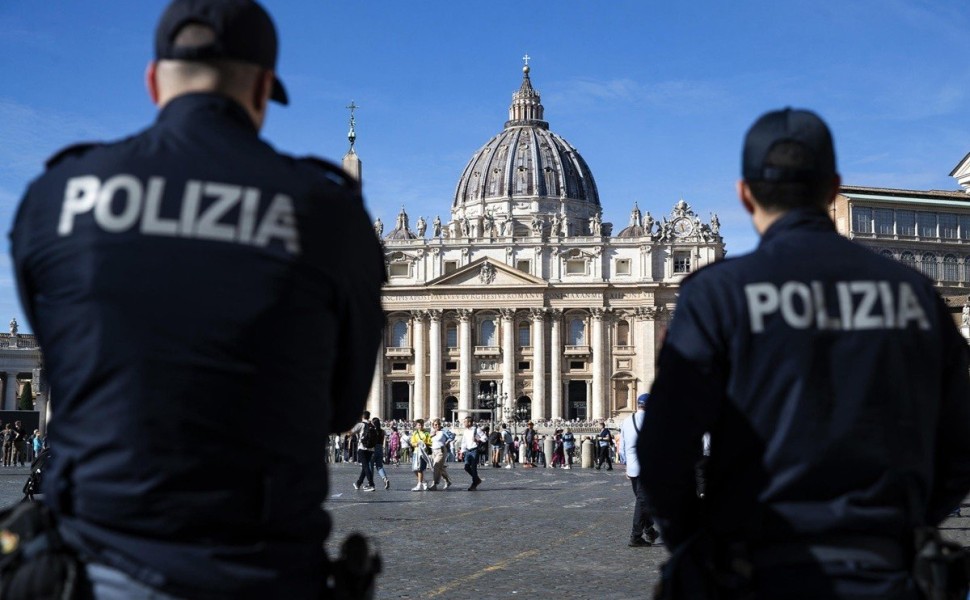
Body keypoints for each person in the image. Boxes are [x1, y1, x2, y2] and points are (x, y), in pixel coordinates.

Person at [9, 1, 385, 597]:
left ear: (153, 81)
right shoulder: (328, 213)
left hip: (95, 565)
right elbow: (342, 406)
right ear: (263, 89)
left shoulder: (57, 196)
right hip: (259, 568)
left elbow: (63, 361)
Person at [639, 108, 970, 599]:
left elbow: (664, 447)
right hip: (882, 570)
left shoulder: (716, 293)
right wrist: (905, 523)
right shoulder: (914, 292)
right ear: (834, 187)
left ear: (744, 193)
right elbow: (961, 441)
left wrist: (697, 538)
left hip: (754, 569)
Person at [622, 394, 659, 547]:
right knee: (642, 501)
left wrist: (626, 464)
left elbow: (622, 447)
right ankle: (635, 536)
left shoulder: (626, 421)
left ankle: (649, 530)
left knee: (644, 500)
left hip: (632, 467)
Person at [458, 417, 487, 491]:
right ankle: (477, 479)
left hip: (474, 450)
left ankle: (474, 484)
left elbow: (485, 438)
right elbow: (464, 442)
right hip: (468, 451)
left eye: (465, 422)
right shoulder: (465, 431)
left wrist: (478, 439)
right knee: (466, 467)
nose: (464, 423)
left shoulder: (476, 429)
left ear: (469, 423)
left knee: (474, 468)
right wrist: (461, 452)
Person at [352, 411, 376, 491]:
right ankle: (358, 483)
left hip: (362, 448)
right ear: (369, 417)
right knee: (364, 467)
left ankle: (371, 484)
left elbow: (351, 432)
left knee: (365, 466)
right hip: (371, 449)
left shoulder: (361, 424)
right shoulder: (372, 425)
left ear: (362, 416)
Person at [428, 418, 452, 491]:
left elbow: (452, 436)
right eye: (435, 424)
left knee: (436, 466)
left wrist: (447, 442)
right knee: (439, 468)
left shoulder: (444, 431)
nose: (437, 426)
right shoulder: (432, 432)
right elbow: (429, 441)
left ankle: (434, 484)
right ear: (433, 425)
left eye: (438, 424)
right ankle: (448, 481)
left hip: (441, 450)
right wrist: (431, 436)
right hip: (433, 451)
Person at [410, 419, 432, 491]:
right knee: (414, 469)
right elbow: (412, 443)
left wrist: (424, 444)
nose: (420, 426)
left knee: (420, 469)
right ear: (416, 426)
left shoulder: (426, 433)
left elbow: (430, 442)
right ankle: (424, 481)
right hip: (416, 452)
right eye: (419, 425)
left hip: (423, 452)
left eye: (422, 425)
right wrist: (416, 444)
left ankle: (419, 484)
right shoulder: (414, 433)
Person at [370, 417, 390, 490]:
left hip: (373, 449)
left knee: (370, 466)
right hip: (380, 449)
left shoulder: (372, 431)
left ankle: (371, 483)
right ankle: (385, 479)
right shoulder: (382, 431)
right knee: (379, 466)